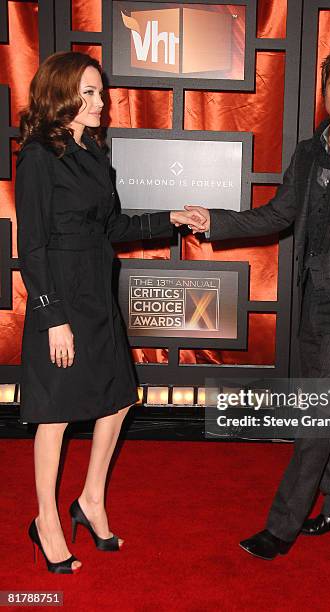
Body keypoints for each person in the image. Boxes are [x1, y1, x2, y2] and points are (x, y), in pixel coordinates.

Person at [183, 47, 330, 560]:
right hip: (313, 300)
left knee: (314, 414)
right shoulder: (308, 153)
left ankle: (281, 526)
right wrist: (215, 222)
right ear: (324, 92)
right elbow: (277, 214)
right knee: (329, 408)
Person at [16, 51, 203, 573]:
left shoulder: (95, 155)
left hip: (99, 294)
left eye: (101, 92)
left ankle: (91, 498)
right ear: (62, 95)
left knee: (119, 399)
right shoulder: (36, 157)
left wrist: (170, 218)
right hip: (61, 299)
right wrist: (53, 317)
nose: (102, 102)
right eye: (91, 93)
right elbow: (30, 247)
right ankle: (46, 521)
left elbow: (112, 228)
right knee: (54, 417)